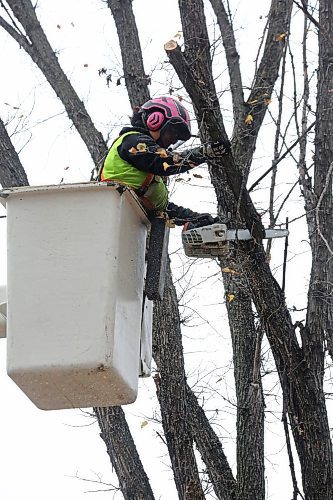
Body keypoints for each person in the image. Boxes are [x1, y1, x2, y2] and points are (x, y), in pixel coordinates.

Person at [99, 96, 228, 227]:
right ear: (155, 119)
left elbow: (163, 208)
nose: (172, 140)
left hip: (128, 220)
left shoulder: (148, 169)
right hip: (113, 214)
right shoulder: (133, 142)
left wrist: (195, 218)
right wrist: (204, 153)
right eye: (172, 133)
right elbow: (165, 162)